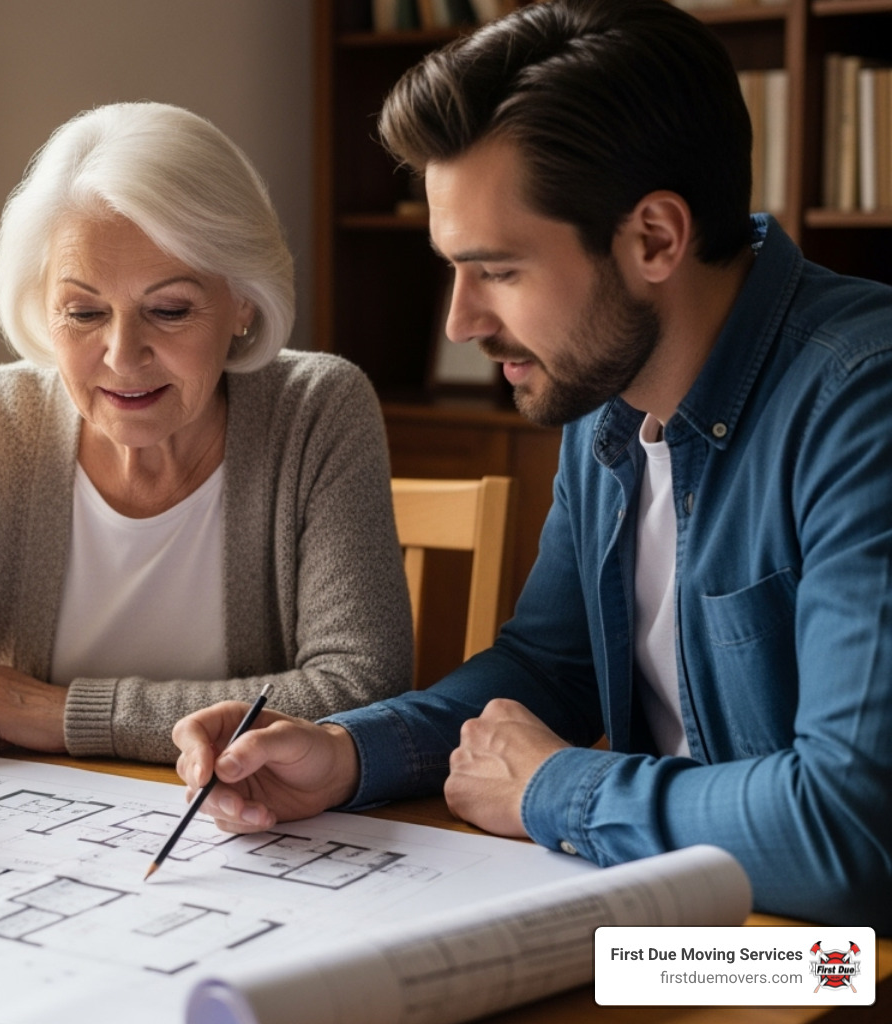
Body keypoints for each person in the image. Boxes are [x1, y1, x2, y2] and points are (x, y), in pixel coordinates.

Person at [172, 0, 892, 929]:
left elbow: (852, 835)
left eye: (500, 271)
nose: (460, 323)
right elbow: (549, 668)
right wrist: (344, 755)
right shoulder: (606, 392)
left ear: (656, 239)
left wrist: (555, 786)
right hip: (683, 923)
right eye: (454, 269)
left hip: (834, 964)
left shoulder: (863, 403)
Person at [0, 102, 413, 881]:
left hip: (242, 856)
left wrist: (67, 714)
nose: (122, 354)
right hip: (16, 860)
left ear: (242, 303)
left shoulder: (318, 409)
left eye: (169, 310)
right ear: (43, 308)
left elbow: (360, 685)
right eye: (82, 311)